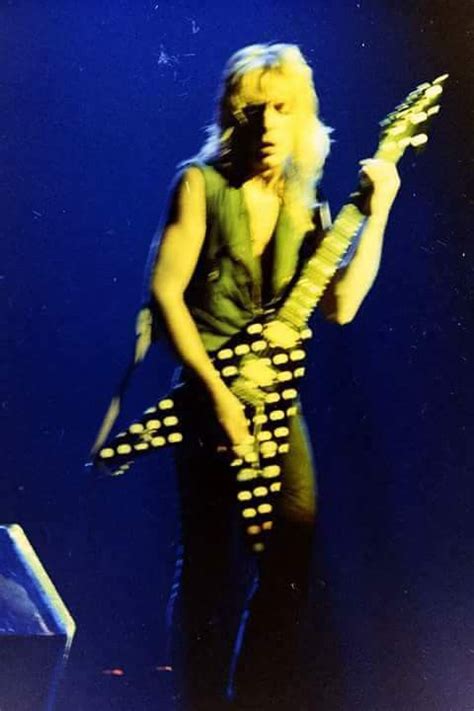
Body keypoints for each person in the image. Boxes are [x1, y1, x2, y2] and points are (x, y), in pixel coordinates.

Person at [99, 43, 401, 710]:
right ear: (233, 116)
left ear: (302, 119)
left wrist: (377, 216)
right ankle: (199, 699)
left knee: (291, 557)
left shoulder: (309, 202)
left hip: (279, 408)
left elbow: (342, 304)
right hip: (208, 400)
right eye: (253, 109)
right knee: (209, 566)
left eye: (282, 110)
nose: (267, 124)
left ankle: (256, 695)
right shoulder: (199, 185)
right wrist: (216, 398)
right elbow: (166, 293)